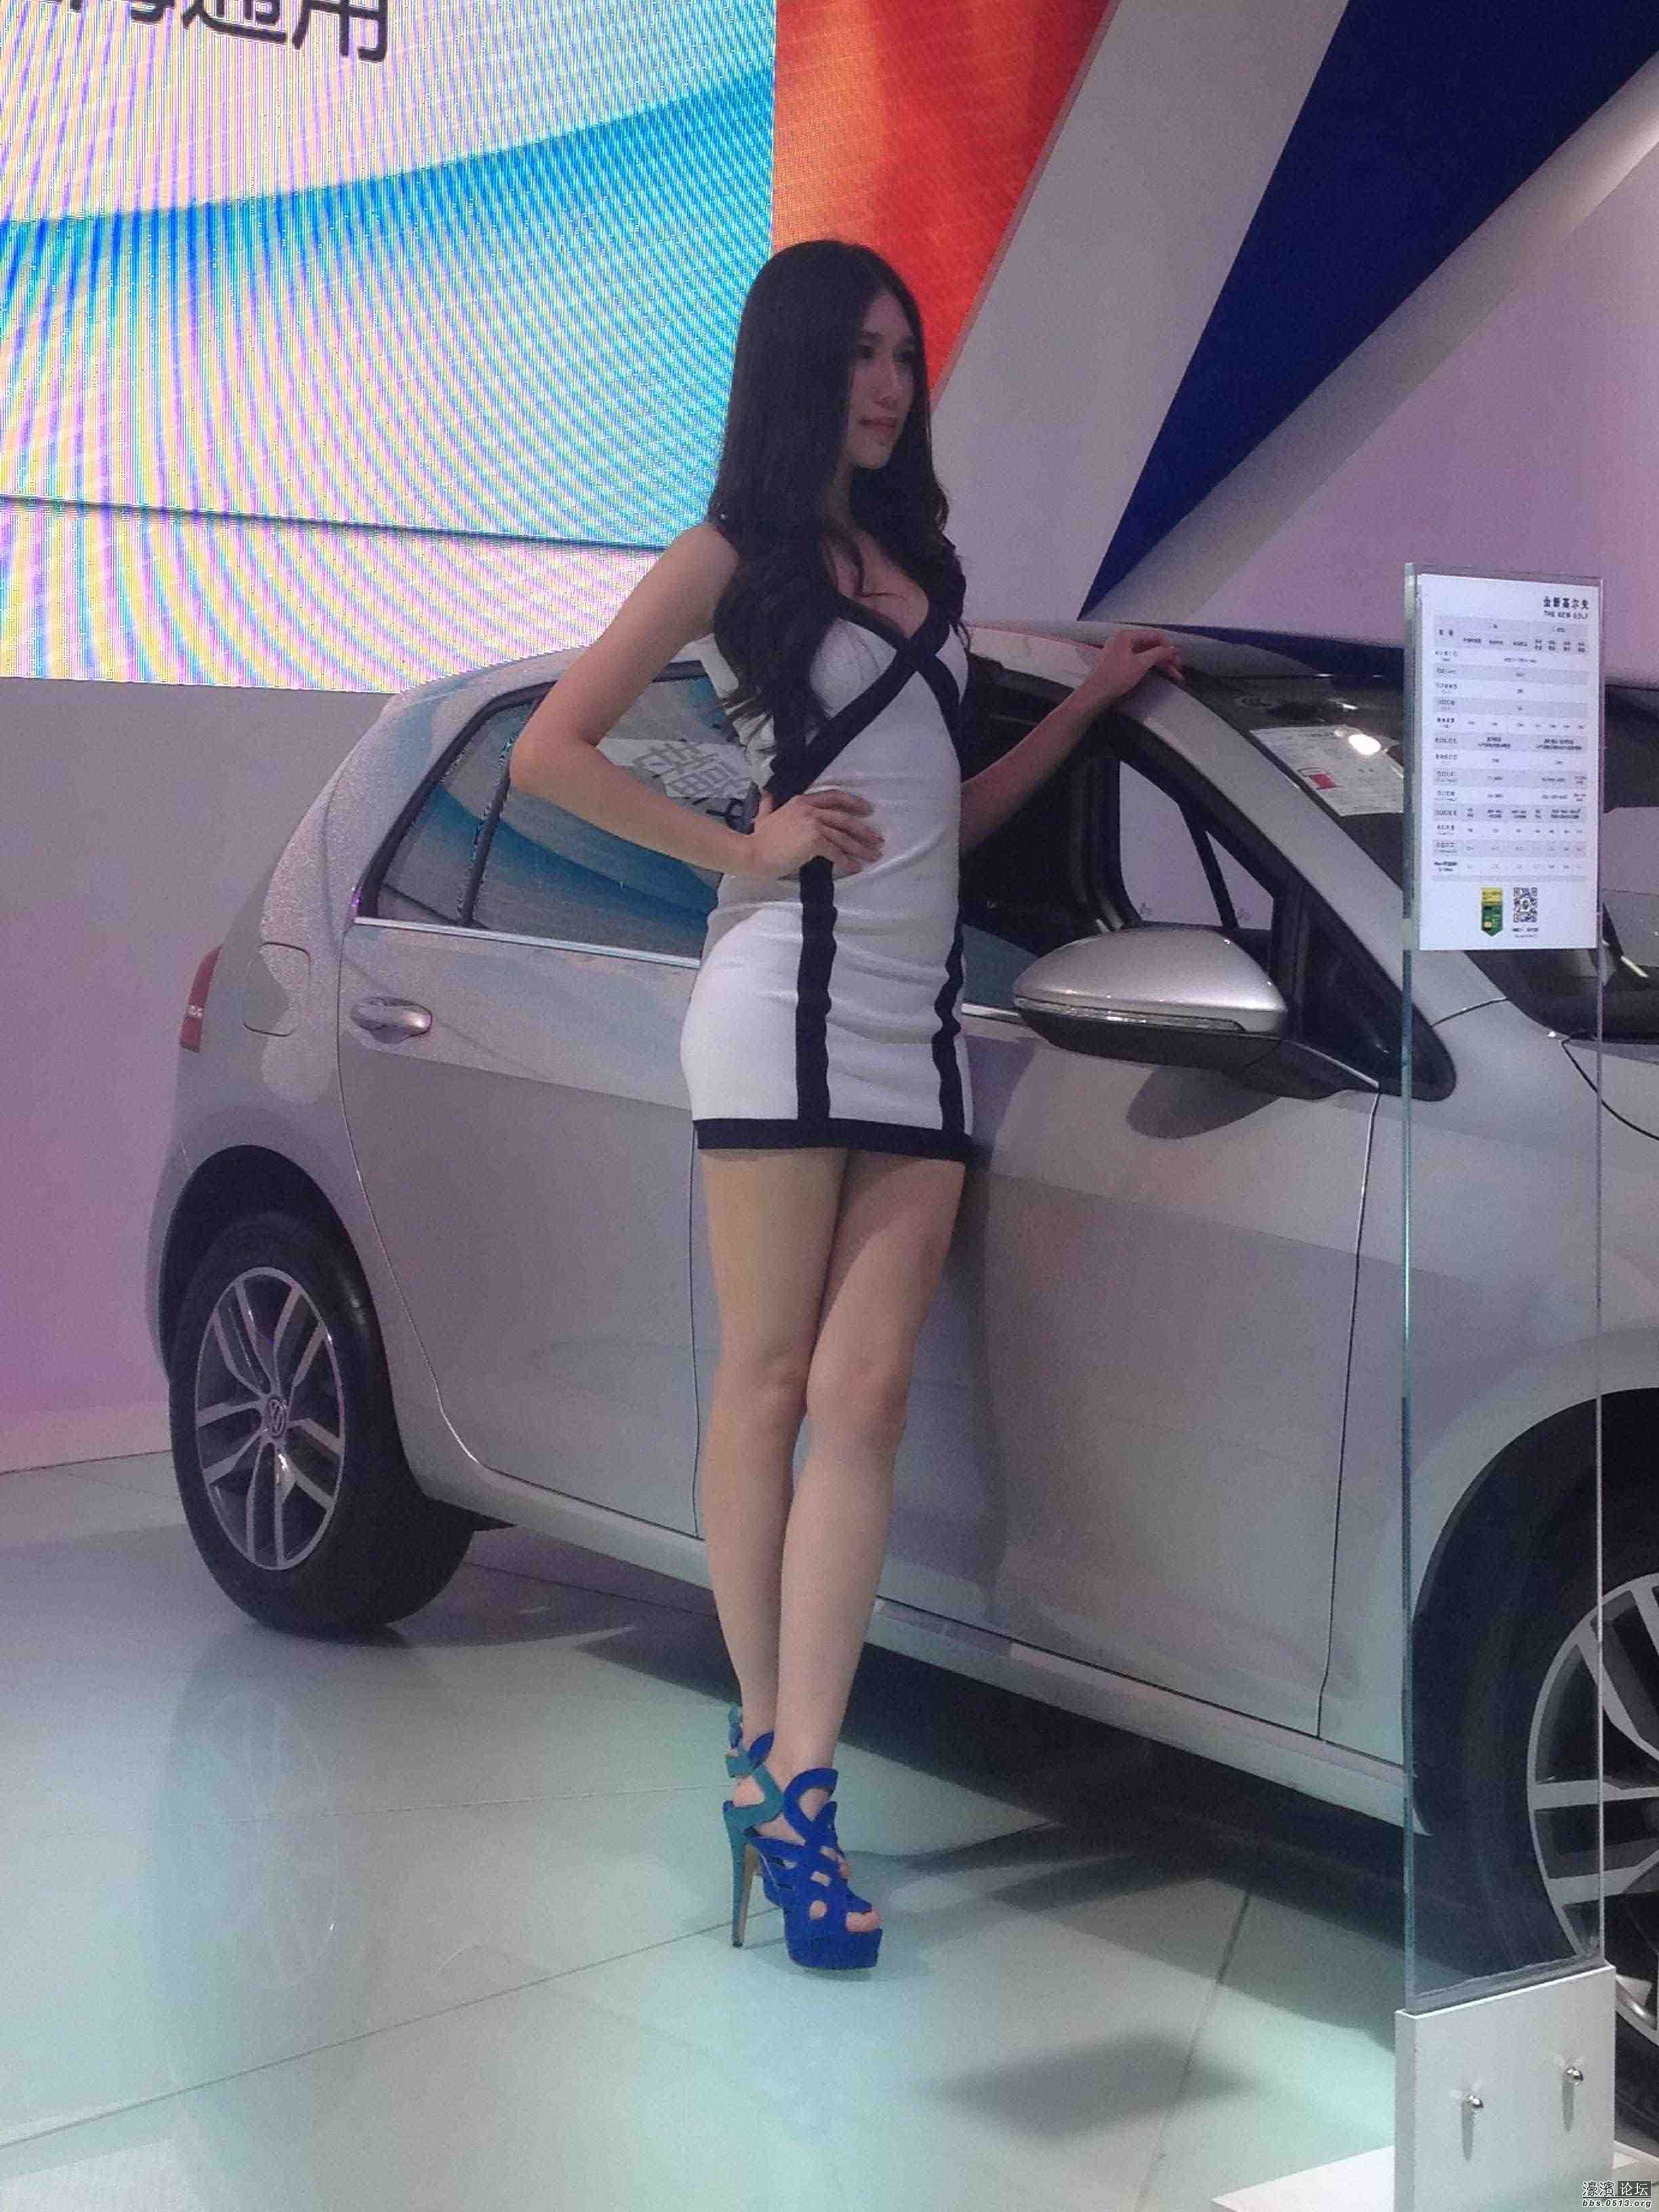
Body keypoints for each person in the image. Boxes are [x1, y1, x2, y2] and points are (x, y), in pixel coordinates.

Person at [508, 239, 1181, 1971]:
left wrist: (1088, 711)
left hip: (910, 1017)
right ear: (798, 364)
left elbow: (944, 812)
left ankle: (795, 1768)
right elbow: (548, 749)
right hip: (777, 1004)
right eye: (861, 354)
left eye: (905, 355)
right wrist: (741, 844)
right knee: (771, 1379)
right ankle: (778, 1765)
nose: (888, 385)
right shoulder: (727, 557)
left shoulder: (925, 572)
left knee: (865, 1397)